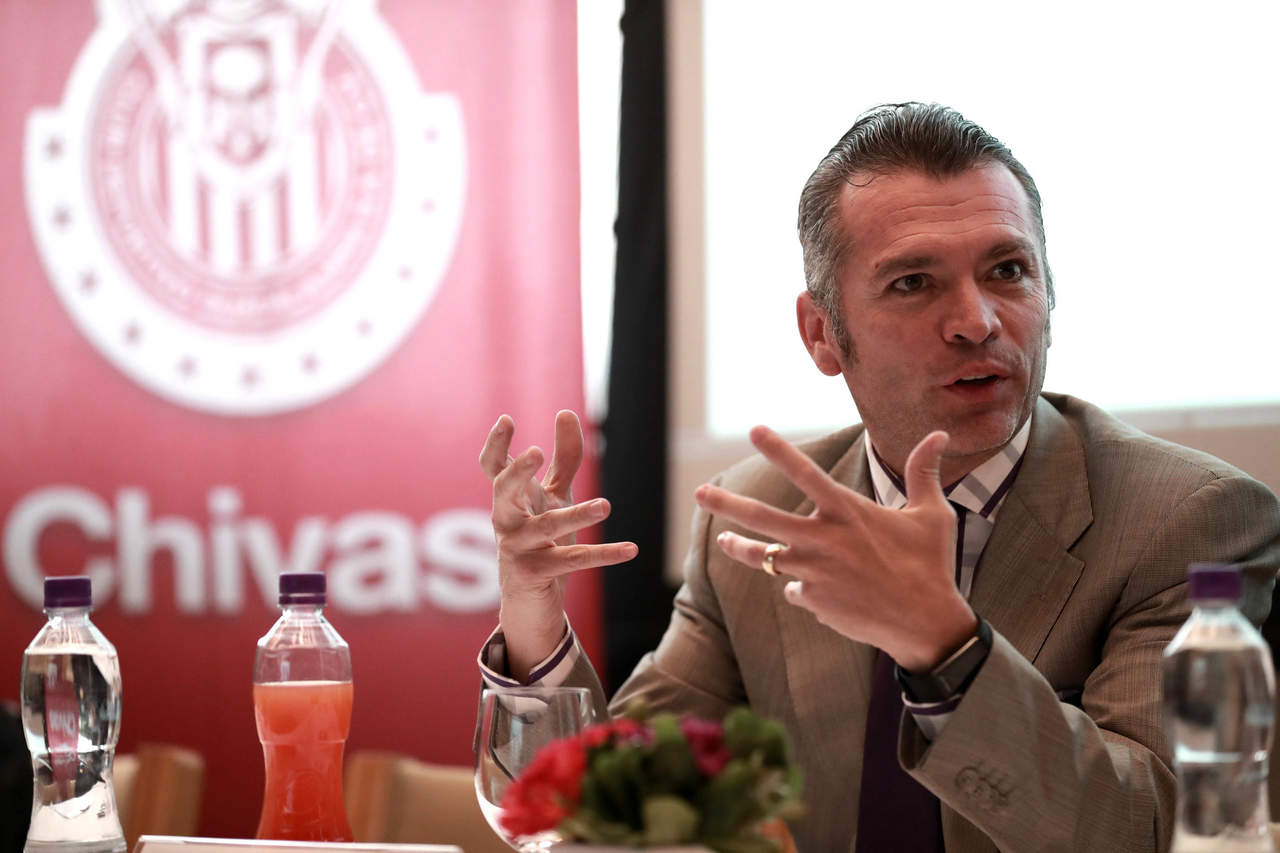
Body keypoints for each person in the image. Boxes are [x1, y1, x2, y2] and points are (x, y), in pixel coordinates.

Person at [477, 103, 1280, 852]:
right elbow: (600, 817)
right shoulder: (758, 518)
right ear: (822, 334)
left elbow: (1163, 828)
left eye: (1008, 270)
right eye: (914, 283)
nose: (977, 321)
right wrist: (532, 616)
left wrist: (946, 648)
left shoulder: (1189, 519)